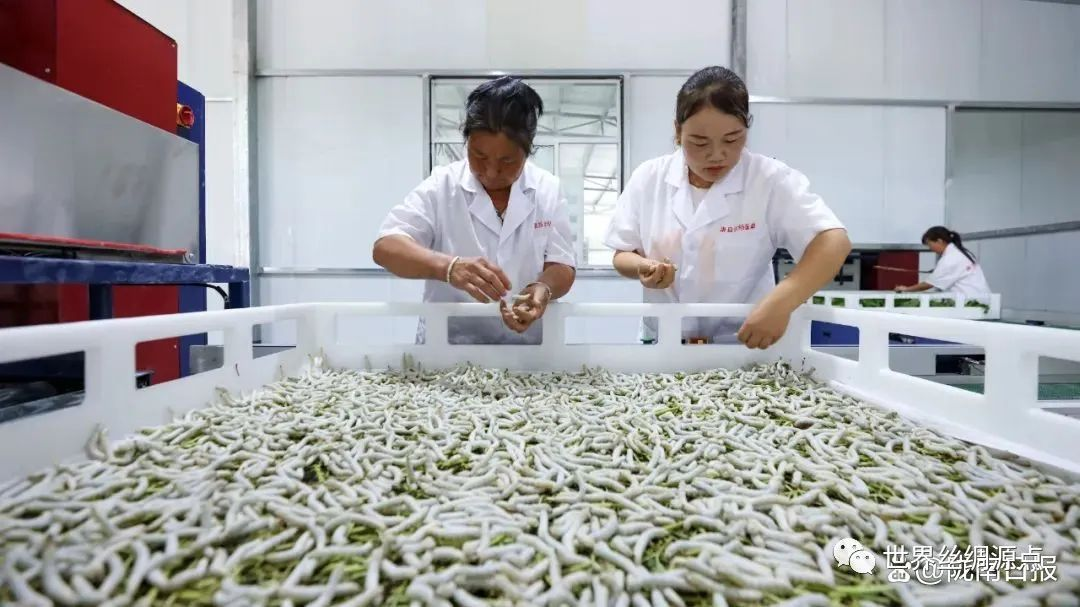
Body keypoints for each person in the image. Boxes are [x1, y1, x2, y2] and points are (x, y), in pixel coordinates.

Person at [604, 66, 851, 349]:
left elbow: (834, 241)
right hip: (663, 340)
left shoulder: (768, 180)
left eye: (732, 139)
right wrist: (644, 267)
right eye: (699, 142)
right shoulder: (649, 178)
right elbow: (623, 253)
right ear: (677, 131)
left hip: (742, 341)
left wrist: (783, 301)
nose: (717, 155)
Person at [373, 76, 576, 344]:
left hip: (526, 350)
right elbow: (386, 248)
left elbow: (562, 264)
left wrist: (544, 288)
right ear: (467, 141)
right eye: (479, 156)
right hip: (449, 347)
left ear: (528, 150)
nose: (491, 171)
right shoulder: (443, 185)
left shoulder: (546, 189)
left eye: (507, 161)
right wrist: (448, 267)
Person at [895, 226, 990, 296]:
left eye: (930, 244)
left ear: (939, 241)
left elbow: (929, 284)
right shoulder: (962, 252)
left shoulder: (950, 258)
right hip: (980, 297)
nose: (930, 248)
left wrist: (906, 289)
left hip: (971, 301)